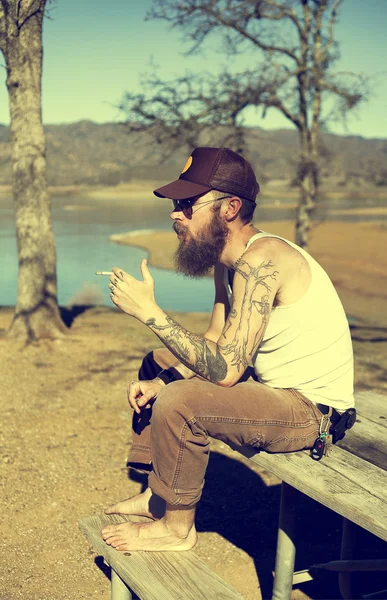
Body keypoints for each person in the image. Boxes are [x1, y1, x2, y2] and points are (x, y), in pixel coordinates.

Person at [101, 146, 354, 552]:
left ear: (230, 208)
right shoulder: (228, 261)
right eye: (175, 204)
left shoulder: (264, 260)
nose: (174, 214)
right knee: (159, 364)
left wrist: (150, 313)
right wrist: (162, 378)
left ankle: (177, 529)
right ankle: (158, 495)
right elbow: (216, 339)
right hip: (273, 390)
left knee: (181, 401)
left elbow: (228, 369)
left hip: (311, 412)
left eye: (187, 204)